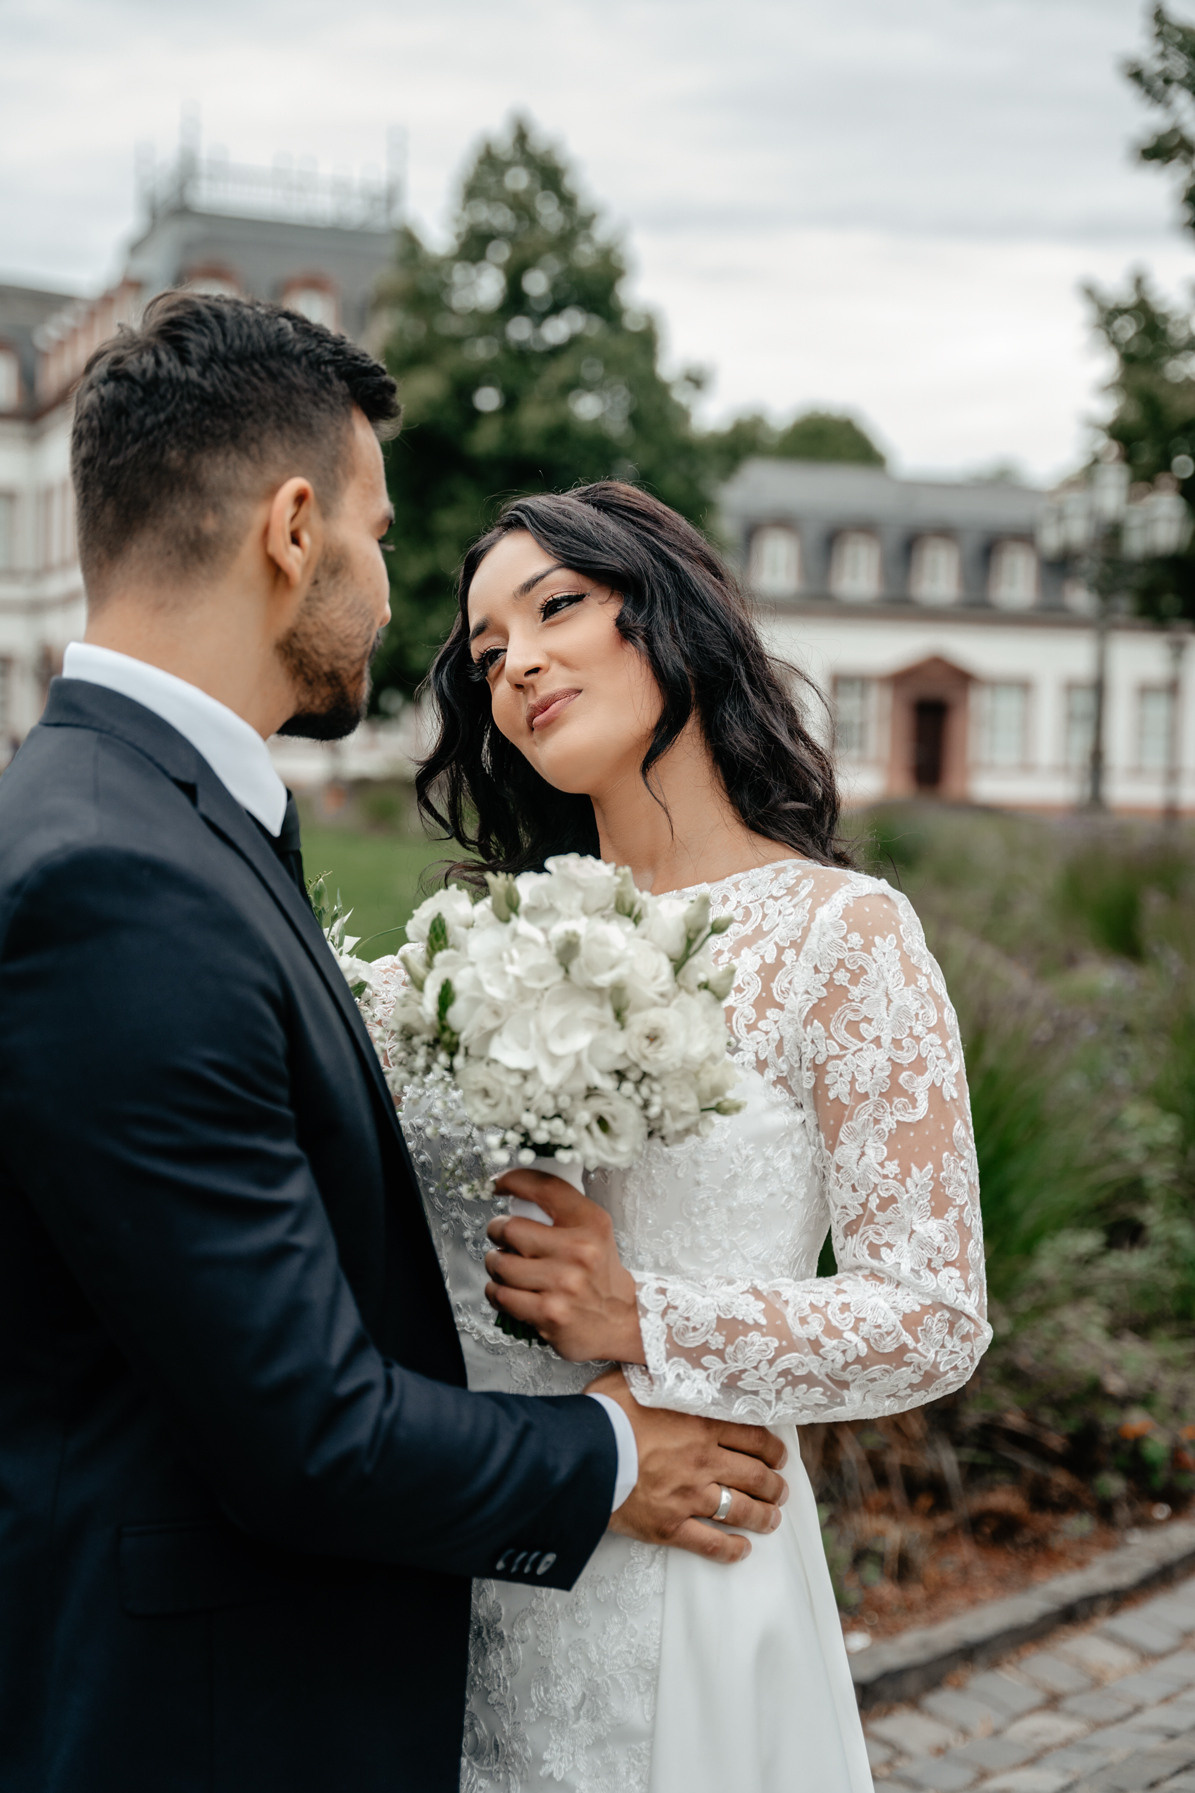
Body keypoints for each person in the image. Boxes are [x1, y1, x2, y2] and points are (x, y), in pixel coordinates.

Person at [0, 297, 788, 1793]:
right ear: (294, 529)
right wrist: (619, 1455)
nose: (387, 590)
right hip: (203, 1726)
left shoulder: (155, 822)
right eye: (374, 532)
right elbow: (302, 1428)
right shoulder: (118, 874)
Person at [375, 482, 992, 1792]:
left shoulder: (841, 937)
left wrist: (641, 1316)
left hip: (699, 1572)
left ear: (669, 612)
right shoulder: (478, 948)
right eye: (487, 653)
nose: (517, 663)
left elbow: (934, 1317)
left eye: (556, 607)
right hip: (486, 1573)